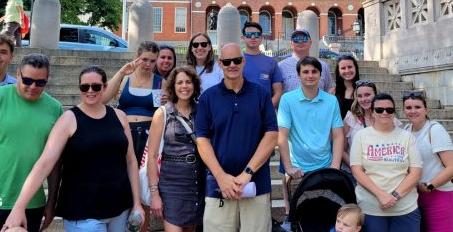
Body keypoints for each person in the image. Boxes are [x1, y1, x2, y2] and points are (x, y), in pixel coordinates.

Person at [3, 66, 144, 232]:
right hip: (82, 210)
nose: (90, 91)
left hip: (119, 205)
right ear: (79, 88)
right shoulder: (68, 120)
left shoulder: (119, 116)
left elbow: (131, 161)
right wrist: (19, 206)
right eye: (84, 87)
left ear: (105, 87)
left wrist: (136, 202)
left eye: (96, 86)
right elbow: (44, 164)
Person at [196, 43, 278, 232]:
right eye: (226, 61)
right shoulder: (208, 97)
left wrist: (247, 174)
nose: (232, 64)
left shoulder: (261, 94)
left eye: (236, 60)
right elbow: (202, 140)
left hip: (256, 184)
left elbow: (272, 135)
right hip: (218, 187)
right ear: (220, 64)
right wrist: (221, 177)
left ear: (244, 61)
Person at [0, 54, 62, 232]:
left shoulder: (55, 108)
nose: (32, 87)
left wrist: (52, 200)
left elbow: (54, 162)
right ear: (18, 74)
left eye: (40, 82)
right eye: (27, 80)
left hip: (32, 203)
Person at [278, 56, 344, 225]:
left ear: (321, 74)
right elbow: (282, 136)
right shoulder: (287, 99)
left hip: (325, 168)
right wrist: (289, 168)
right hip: (299, 171)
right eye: (305, 71)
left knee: (327, 219)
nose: (310, 75)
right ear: (298, 75)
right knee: (301, 222)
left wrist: (335, 167)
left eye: (314, 71)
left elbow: (337, 135)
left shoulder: (331, 100)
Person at [350, 93, 423, 232]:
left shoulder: (407, 137)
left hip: (405, 208)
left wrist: (394, 196)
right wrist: (381, 195)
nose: (385, 113)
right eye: (379, 110)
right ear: (372, 112)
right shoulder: (361, 136)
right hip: (371, 209)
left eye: (389, 110)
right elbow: (357, 171)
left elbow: (416, 172)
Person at [147, 66, 205, 231]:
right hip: (172, 185)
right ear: (173, 86)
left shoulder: (202, 111)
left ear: (194, 85)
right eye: (180, 82)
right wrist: (154, 194)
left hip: (196, 182)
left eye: (188, 82)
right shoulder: (163, 113)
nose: (184, 86)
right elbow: (151, 156)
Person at [403, 91, 453, 232]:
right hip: (414, 196)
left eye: (417, 107)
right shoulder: (405, 130)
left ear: (426, 109)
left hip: (438, 195)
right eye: (408, 108)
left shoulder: (435, 130)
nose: (413, 111)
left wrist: (429, 186)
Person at [103, 41, 164, 165]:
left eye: (152, 61)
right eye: (144, 59)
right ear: (137, 57)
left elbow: (161, 110)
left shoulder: (160, 82)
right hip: (124, 131)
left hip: (149, 133)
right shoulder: (125, 78)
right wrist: (121, 73)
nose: (148, 64)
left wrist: (166, 103)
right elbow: (103, 98)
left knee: (143, 175)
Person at [342, 81, 402, 182]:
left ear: (376, 95)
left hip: (382, 175)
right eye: (360, 96)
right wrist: (357, 169)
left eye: (367, 95)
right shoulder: (350, 119)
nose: (364, 99)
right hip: (353, 174)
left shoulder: (390, 119)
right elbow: (342, 151)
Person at [241, 21, 283, 109]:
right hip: (241, 112)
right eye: (249, 35)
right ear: (243, 38)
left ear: (261, 38)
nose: (253, 37)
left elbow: (278, 92)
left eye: (256, 34)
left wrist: (267, 110)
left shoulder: (271, 62)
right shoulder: (236, 62)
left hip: (265, 114)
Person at [278, 29, 333, 93]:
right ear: (291, 44)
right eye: (296, 39)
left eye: (304, 39)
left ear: (310, 42)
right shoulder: (281, 66)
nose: (300, 41)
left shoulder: (323, 66)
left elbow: (328, 90)